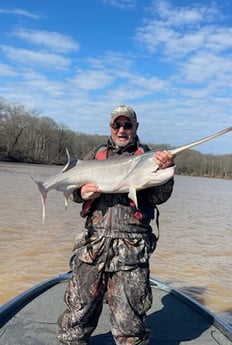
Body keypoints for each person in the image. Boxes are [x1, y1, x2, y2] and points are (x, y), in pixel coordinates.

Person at [57, 105, 175, 345]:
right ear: (110, 127)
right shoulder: (95, 154)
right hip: (93, 245)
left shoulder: (150, 157)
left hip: (131, 248)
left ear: (135, 127)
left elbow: (160, 196)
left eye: (127, 125)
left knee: (130, 325)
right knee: (77, 318)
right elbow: (73, 192)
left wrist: (165, 172)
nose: (122, 130)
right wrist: (81, 194)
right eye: (116, 125)